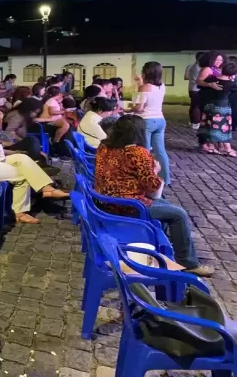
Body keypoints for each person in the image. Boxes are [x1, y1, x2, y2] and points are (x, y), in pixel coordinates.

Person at [94, 115, 213, 277]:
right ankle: (188, 262)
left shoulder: (105, 147)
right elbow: (153, 190)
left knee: (167, 207)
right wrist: (156, 171)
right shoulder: (137, 153)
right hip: (128, 206)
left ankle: (170, 244)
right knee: (179, 214)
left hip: (105, 202)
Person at [130, 62, 171, 183]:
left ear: (146, 72)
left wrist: (129, 110)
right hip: (160, 120)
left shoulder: (144, 87)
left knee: (145, 151)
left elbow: (139, 108)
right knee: (160, 151)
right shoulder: (162, 86)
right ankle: (165, 178)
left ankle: (145, 178)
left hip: (146, 121)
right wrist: (140, 82)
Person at [197, 60, 237, 155]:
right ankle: (228, 149)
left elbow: (200, 83)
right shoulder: (232, 84)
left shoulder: (211, 79)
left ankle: (210, 146)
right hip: (222, 107)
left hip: (209, 105)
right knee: (223, 127)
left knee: (208, 125)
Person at [186, 52, 205, 130]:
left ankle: (193, 121)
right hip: (197, 89)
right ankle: (196, 123)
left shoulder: (192, 66)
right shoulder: (198, 67)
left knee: (193, 105)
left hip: (192, 88)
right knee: (197, 106)